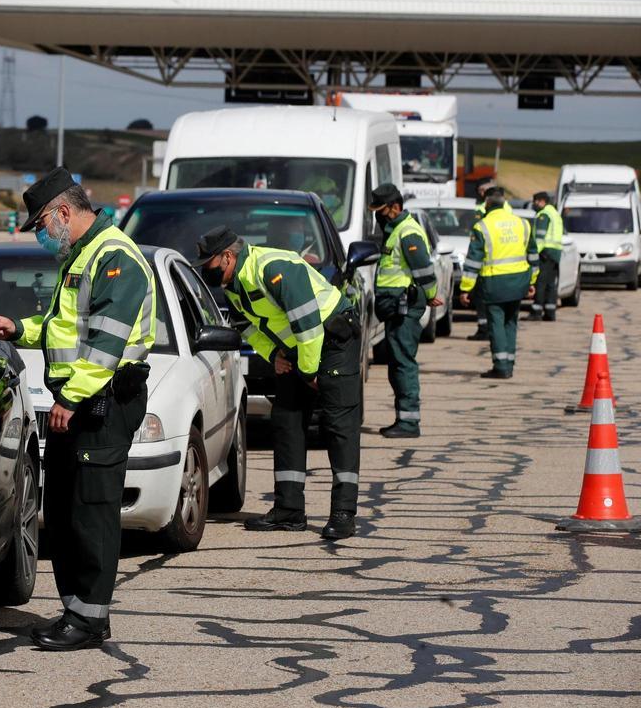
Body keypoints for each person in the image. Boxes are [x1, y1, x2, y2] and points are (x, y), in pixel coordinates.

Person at [0, 167, 156, 651]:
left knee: (92, 512)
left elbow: (104, 345)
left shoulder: (114, 257)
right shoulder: (80, 256)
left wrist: (69, 398)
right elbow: (65, 329)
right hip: (81, 401)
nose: (40, 235)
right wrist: (18, 329)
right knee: (64, 509)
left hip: (100, 402)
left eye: (40, 224)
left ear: (64, 212)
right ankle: (74, 610)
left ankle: (90, 619)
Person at [193, 224, 364, 540]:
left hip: (333, 340)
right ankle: (289, 510)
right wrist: (275, 356)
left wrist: (309, 372)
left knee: (339, 427)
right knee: (287, 421)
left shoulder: (274, 269)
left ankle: (343, 513)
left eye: (209, 264)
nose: (206, 271)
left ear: (227, 257)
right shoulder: (235, 286)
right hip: (299, 351)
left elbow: (309, 325)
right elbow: (248, 328)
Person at [368, 185, 443, 439]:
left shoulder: (408, 232)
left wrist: (432, 296)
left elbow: (423, 271)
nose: (379, 216)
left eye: (382, 211)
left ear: (396, 207)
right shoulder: (395, 230)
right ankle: (404, 418)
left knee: (403, 364)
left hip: (405, 306)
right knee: (397, 363)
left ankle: (409, 422)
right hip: (395, 307)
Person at [459, 188, 538, 379]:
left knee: (496, 324)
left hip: (494, 284)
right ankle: (509, 363)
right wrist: (532, 281)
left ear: (487, 205)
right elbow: (533, 255)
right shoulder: (523, 224)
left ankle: (501, 366)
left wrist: (466, 288)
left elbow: (473, 262)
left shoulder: (482, 227)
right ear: (504, 204)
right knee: (511, 323)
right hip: (518, 282)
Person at [528, 191, 564, 321]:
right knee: (550, 284)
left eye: (536, 202)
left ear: (542, 201)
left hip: (545, 253)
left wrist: (533, 253)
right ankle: (550, 311)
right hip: (555, 253)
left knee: (541, 282)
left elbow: (540, 238)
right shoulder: (555, 213)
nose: (534, 205)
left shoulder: (543, 215)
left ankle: (536, 311)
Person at [467, 183, 494, 341]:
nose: (480, 192)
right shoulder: (508, 211)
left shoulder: (482, 210)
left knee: (482, 299)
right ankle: (491, 329)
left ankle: (484, 329)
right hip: (504, 268)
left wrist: (466, 287)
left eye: (482, 190)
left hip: (486, 266)